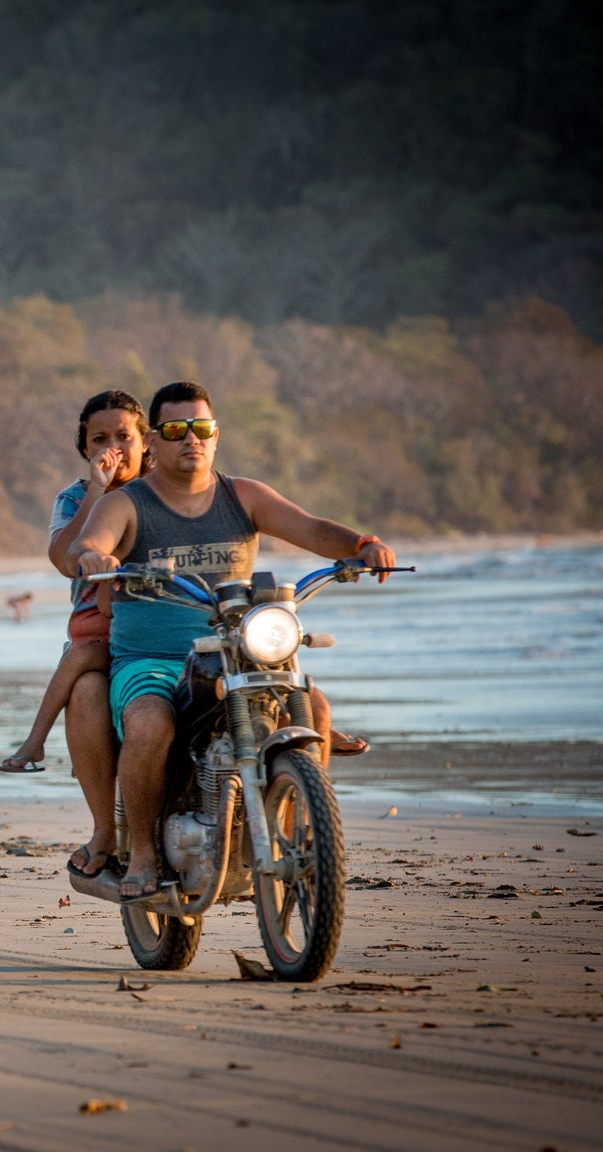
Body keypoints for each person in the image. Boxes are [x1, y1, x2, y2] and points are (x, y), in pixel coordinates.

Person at [69, 381, 397, 900]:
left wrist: (362, 544)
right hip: (152, 660)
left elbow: (311, 529)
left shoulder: (243, 495)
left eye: (201, 429)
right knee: (150, 724)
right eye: (176, 431)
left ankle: (300, 834)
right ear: (153, 440)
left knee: (314, 706)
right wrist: (94, 555)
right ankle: (144, 854)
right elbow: (91, 539)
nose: (190, 440)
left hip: (237, 652)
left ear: (216, 435)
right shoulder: (129, 502)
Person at [0, 391, 149, 887]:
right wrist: (96, 492)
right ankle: (104, 827)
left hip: (160, 620)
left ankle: (34, 742)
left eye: (123, 437)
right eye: (99, 439)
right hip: (100, 624)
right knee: (84, 669)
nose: (113, 448)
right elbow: (65, 559)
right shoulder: (73, 497)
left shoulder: (165, 491)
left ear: (145, 441)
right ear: (85, 448)